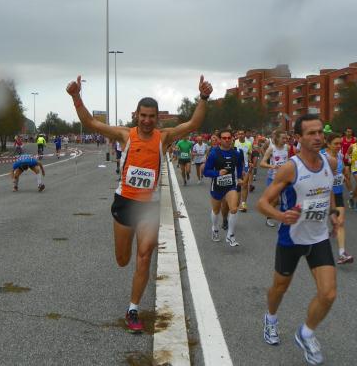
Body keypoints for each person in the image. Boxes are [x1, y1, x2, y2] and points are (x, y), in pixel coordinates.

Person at [66, 74, 212, 333]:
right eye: (143, 115)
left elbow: (193, 122)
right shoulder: (125, 135)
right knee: (123, 259)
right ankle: (130, 278)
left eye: (151, 116)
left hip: (149, 206)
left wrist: (203, 97)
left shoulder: (164, 137)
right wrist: (76, 96)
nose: (147, 120)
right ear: (136, 115)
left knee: (144, 256)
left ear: (157, 118)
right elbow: (90, 122)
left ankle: (133, 308)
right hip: (125, 203)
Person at [257, 114, 339, 365]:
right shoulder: (291, 168)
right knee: (280, 288)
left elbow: (329, 191)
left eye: (320, 133)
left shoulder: (331, 162)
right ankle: (270, 318)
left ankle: (306, 333)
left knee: (328, 294)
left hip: (319, 237)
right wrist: (281, 215)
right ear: (299, 138)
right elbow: (262, 203)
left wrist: (334, 213)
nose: (317, 137)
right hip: (291, 238)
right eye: (311, 133)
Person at [204, 129, 244, 246]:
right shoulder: (214, 153)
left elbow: (239, 166)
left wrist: (240, 177)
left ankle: (230, 235)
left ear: (232, 138)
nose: (227, 140)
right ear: (220, 140)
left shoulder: (236, 153)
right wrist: (217, 173)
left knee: (234, 209)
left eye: (229, 138)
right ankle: (215, 228)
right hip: (217, 186)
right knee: (216, 210)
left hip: (230, 185)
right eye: (224, 138)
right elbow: (206, 171)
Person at [324, 133, 353, 264]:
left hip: (337, 192)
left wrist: (343, 176)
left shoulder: (340, 156)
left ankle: (342, 253)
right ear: (328, 144)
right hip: (323, 195)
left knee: (341, 221)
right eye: (335, 143)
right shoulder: (322, 157)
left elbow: (340, 173)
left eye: (340, 144)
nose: (338, 146)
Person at [260, 130, 289, 227]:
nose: (285, 140)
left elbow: (288, 160)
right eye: (283, 138)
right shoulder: (271, 148)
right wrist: (272, 166)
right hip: (273, 178)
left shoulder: (287, 147)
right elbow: (262, 163)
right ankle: (269, 218)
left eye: (286, 138)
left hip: (285, 177)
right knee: (275, 200)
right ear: (276, 138)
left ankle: (284, 219)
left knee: (286, 199)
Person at [234, 130, 252, 212]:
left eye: (242, 134)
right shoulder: (234, 143)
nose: (240, 135)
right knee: (237, 185)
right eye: (239, 134)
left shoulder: (248, 143)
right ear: (237, 135)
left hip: (245, 166)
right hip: (236, 166)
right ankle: (236, 202)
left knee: (245, 184)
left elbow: (249, 154)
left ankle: (244, 203)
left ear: (245, 135)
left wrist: (250, 164)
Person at [340, 128, 355, 195]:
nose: (349, 133)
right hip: (344, 160)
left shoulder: (354, 139)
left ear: (351, 133)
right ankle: (350, 191)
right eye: (347, 131)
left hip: (353, 159)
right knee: (348, 176)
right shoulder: (342, 139)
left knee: (348, 175)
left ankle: (342, 179)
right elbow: (339, 148)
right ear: (345, 132)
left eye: (350, 132)